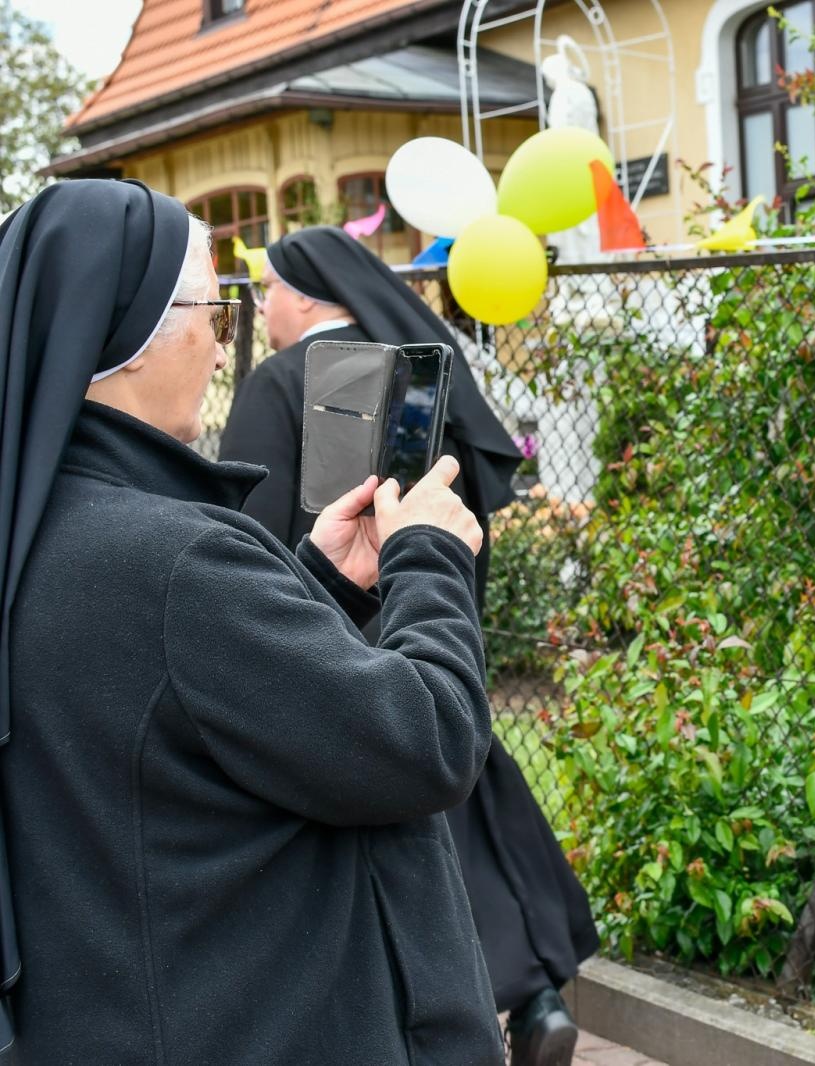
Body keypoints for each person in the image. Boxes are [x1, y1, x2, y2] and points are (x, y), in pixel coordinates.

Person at [0, 180, 503, 1062]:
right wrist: (428, 558)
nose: (220, 343)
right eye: (213, 314)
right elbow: (424, 740)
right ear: (126, 337)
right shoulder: (174, 564)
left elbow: (182, 707)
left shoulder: (38, 530)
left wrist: (320, 585)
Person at [219, 226, 598, 1066]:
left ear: (305, 297)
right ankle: (535, 994)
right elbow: (464, 511)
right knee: (472, 797)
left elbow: (251, 540)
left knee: (400, 853)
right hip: (433, 625)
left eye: (269, 290)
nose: (265, 307)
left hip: (328, 651)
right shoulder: (421, 376)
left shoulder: (280, 385)